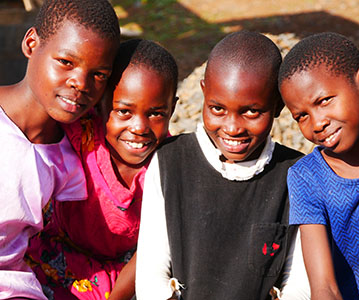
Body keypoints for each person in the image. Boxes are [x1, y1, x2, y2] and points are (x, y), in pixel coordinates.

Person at [136, 31, 311, 300]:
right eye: (217, 108)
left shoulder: (296, 174)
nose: (232, 127)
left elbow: (297, 283)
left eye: (251, 111)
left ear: (277, 106)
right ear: (204, 92)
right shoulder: (169, 161)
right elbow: (152, 272)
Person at [25, 38, 179, 300]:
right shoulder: (82, 133)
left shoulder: (169, 165)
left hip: (121, 272)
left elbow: (152, 248)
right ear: (100, 104)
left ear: (172, 108)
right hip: (54, 250)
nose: (139, 127)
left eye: (156, 113)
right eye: (123, 111)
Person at [0, 0, 120, 299]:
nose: (80, 83)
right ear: (31, 43)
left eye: (99, 75)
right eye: (66, 62)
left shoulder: (71, 161)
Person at [278, 32, 359, 299]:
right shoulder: (308, 178)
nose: (317, 123)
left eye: (323, 101)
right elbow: (325, 287)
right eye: (301, 116)